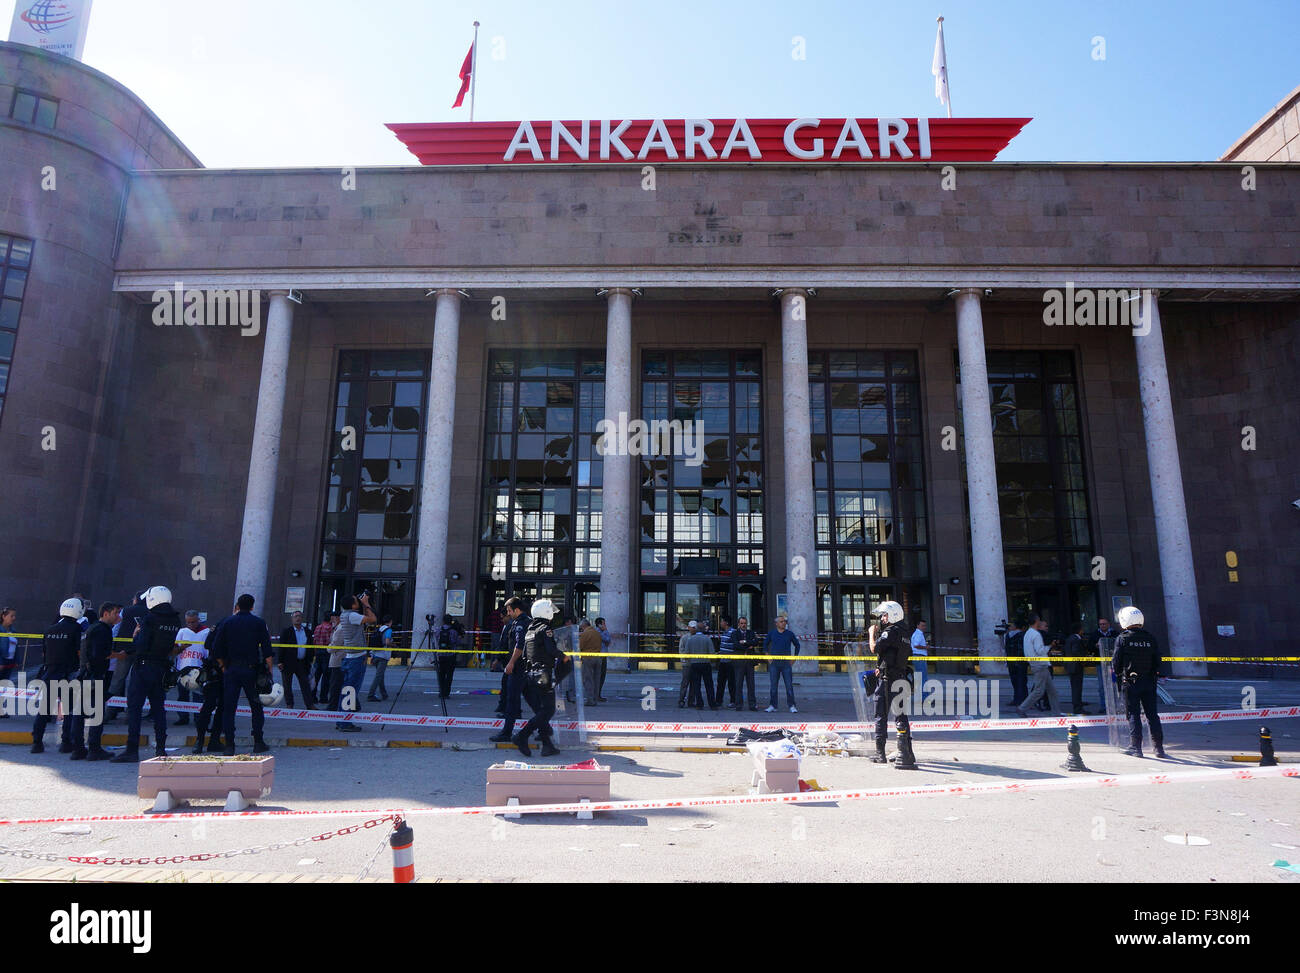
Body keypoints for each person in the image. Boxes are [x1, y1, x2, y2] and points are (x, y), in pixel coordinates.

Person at [111, 586, 183, 762]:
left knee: (135, 708)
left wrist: (136, 635)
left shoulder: (149, 618)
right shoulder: (175, 620)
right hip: (162, 667)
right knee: (159, 709)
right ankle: (160, 749)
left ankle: (132, 749)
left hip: (144, 667)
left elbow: (141, 645)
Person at [210, 593, 274, 755]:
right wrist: (269, 670)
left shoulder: (227, 622)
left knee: (229, 708)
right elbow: (267, 650)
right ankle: (258, 742)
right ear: (252, 606)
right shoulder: (258, 623)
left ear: (237, 605)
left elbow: (216, 649)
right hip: (251, 670)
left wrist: (223, 666)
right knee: (256, 707)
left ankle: (229, 744)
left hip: (231, 670)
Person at [511, 598, 567, 758]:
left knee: (542, 711)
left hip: (530, 675)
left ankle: (547, 746)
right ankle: (522, 736)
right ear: (546, 612)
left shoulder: (530, 630)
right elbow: (551, 649)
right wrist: (564, 657)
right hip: (543, 674)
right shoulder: (545, 628)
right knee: (548, 710)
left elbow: (526, 654)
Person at [31, 597, 85, 754]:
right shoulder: (76, 629)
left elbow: (44, 653)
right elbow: (79, 652)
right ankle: (66, 742)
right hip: (68, 673)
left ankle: (36, 742)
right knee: (68, 710)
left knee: (44, 709)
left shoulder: (49, 629)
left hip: (49, 672)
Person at [868, 600, 918, 769]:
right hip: (901, 677)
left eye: (885, 615)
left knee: (880, 714)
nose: (882, 618)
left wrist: (871, 634)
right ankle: (906, 753)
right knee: (901, 715)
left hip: (888, 679)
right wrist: (879, 666)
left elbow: (875, 648)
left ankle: (879, 753)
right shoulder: (905, 632)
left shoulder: (890, 632)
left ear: (893, 615)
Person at [70, 601, 121, 760]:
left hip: (85, 675)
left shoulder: (91, 628)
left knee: (79, 714)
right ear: (106, 613)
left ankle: (78, 749)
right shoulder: (102, 629)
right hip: (95, 676)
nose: (117, 616)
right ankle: (94, 748)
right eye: (115, 613)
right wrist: (118, 655)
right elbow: (99, 654)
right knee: (97, 714)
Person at [1112, 606, 1166, 758]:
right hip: (1149, 681)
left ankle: (1136, 747)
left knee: (1133, 713)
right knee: (1152, 714)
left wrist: (1117, 673)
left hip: (1130, 681)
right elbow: (1158, 660)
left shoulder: (1123, 638)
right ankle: (1159, 748)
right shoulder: (1150, 637)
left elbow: (1116, 662)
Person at [330, 594, 376, 732]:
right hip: (356, 658)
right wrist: (366, 604)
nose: (359, 602)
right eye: (357, 601)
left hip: (349, 657)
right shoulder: (352, 616)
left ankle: (341, 720)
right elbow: (373, 619)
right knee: (350, 691)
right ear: (353, 605)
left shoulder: (345, 615)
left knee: (346, 690)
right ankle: (345, 723)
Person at [105, 587, 149, 722]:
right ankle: (131, 715)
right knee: (135, 683)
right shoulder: (150, 613)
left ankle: (109, 712)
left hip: (123, 651)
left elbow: (116, 628)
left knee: (117, 681)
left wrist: (113, 644)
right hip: (141, 651)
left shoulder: (127, 610)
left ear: (136, 599)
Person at [489, 597, 527, 742]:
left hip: (518, 668)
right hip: (522, 668)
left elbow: (519, 645)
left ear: (516, 610)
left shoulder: (520, 624)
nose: (508, 614)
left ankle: (506, 733)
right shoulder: (519, 622)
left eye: (510, 611)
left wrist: (510, 663)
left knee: (512, 701)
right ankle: (544, 731)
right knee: (532, 702)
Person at [191, 625, 227, 754]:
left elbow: (208, 644)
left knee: (215, 708)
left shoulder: (219, 625)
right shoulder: (225, 625)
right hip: (220, 671)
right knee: (212, 707)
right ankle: (202, 741)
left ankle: (208, 741)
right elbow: (209, 645)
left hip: (217, 671)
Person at [1015, 613, 1059, 717]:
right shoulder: (1036, 634)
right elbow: (1040, 651)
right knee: (1039, 690)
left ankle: (1056, 712)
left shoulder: (1027, 634)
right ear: (1036, 621)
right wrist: (1050, 646)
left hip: (1035, 664)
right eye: (1039, 620)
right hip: (1040, 664)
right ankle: (1022, 708)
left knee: (1052, 690)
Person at [172, 610, 208, 726]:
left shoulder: (206, 632)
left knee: (199, 696)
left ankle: (199, 718)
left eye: (193, 622)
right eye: (188, 622)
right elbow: (175, 649)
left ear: (198, 620)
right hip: (183, 667)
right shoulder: (182, 632)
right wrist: (181, 648)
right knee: (183, 695)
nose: (191, 625)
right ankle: (183, 717)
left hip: (199, 668)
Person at [278, 610, 315, 708]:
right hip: (288, 662)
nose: (297, 618)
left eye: (299, 616)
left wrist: (310, 659)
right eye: (295, 616)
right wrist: (280, 661)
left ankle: (309, 704)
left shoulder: (307, 631)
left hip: (302, 662)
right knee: (287, 684)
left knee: (305, 684)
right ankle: (289, 704)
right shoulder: (287, 631)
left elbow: (311, 646)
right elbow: (281, 647)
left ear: (302, 618)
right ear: (292, 619)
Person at [764, 615, 799, 713]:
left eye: (785, 621)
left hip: (786, 664)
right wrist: (768, 656)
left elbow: (797, 645)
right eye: (781, 621)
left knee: (789, 685)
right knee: (773, 686)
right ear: (776, 624)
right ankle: (773, 705)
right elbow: (765, 644)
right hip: (774, 663)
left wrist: (794, 658)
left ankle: (792, 705)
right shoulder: (772, 633)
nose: (784, 623)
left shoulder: (789, 634)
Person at [684, 621, 717, 710]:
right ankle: (712, 704)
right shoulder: (707, 639)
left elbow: (686, 653)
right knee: (709, 685)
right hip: (706, 664)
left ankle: (699, 704)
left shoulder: (690, 639)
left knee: (696, 685)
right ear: (703, 630)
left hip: (694, 664)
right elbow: (712, 653)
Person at [1090, 617, 1118, 713]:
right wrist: (1095, 646)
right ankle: (1104, 706)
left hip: (1112, 664)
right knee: (1102, 686)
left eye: (1104, 624)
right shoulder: (1095, 635)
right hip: (1101, 664)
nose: (1102, 626)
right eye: (1101, 624)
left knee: (1114, 684)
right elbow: (1089, 646)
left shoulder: (1115, 634)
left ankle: (1115, 705)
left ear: (1108, 624)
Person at [311, 610, 338, 704]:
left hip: (318, 652)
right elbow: (330, 641)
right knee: (326, 677)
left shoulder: (318, 627)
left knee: (316, 676)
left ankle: (312, 696)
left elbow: (314, 641)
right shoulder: (330, 628)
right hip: (326, 653)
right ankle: (323, 697)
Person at [733, 616, 759, 711]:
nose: (743, 625)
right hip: (739, 662)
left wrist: (744, 642)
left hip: (749, 662)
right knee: (738, 684)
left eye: (745, 623)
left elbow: (756, 642)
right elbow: (736, 645)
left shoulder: (751, 633)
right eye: (742, 623)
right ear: (739, 624)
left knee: (751, 684)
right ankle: (738, 704)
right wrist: (748, 645)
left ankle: (752, 704)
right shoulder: (735, 633)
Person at [1063, 622, 1087, 714]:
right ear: (1080, 630)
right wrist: (1083, 660)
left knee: (1075, 687)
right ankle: (1077, 707)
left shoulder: (1069, 639)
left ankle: (1077, 705)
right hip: (1076, 666)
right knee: (1077, 687)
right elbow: (1076, 651)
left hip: (1070, 666)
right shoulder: (1076, 639)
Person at [434, 614, 460, 701]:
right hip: (451, 655)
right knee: (449, 675)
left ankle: (441, 692)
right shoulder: (454, 631)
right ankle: (446, 693)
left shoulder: (438, 630)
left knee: (441, 674)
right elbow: (456, 642)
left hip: (441, 655)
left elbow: (437, 640)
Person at [368, 615, 393, 702]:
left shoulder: (378, 629)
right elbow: (387, 642)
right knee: (378, 676)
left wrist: (371, 656)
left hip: (375, 655)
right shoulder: (389, 630)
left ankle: (384, 694)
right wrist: (393, 645)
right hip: (383, 656)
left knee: (380, 675)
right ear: (390, 622)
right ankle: (371, 694)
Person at [1002, 620, 1027, 708]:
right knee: (1022, 682)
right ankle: (1023, 699)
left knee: (1015, 682)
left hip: (1011, 662)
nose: (1010, 627)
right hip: (1021, 662)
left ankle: (1017, 699)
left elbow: (1006, 648)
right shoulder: (1023, 635)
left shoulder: (1008, 635)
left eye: (1012, 625)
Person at [716, 614, 738, 708]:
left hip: (730, 662)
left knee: (731, 683)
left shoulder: (733, 632)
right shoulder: (724, 632)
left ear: (726, 622)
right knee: (720, 682)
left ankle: (733, 700)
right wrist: (720, 652)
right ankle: (718, 701)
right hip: (723, 661)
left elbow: (735, 646)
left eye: (721, 621)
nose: (720, 623)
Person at [578, 619, 601, 705]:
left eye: (581, 627)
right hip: (598, 657)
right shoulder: (597, 633)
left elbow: (580, 646)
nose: (581, 629)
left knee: (588, 679)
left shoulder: (585, 634)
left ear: (584, 626)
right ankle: (595, 698)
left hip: (588, 658)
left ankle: (590, 700)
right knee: (596, 680)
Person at [0, 607, 18, 697]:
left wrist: (16, 661)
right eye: (12, 616)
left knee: (4, 687)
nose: (14, 618)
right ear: (4, 616)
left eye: (14, 616)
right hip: (1, 662)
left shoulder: (13, 631)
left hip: (9, 663)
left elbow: (16, 647)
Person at [594, 616, 611, 700]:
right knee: (600, 675)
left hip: (602, 655)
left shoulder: (601, 632)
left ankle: (598, 694)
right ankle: (596, 695)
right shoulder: (598, 632)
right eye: (603, 623)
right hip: (600, 656)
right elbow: (607, 639)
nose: (605, 625)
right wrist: (606, 630)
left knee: (601, 675)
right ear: (599, 624)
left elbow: (608, 641)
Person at [910, 619, 929, 686]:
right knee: (923, 677)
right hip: (919, 657)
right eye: (922, 625)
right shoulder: (919, 634)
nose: (924, 627)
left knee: (919, 676)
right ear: (917, 626)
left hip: (917, 656)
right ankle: (924, 695)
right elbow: (916, 645)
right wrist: (925, 647)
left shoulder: (916, 633)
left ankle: (919, 692)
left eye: (925, 626)